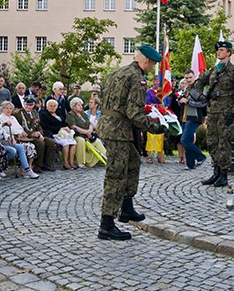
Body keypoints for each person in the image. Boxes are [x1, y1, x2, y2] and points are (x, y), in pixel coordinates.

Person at [97, 45, 166, 241]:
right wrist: (155, 127)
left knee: (133, 162)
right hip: (118, 130)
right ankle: (106, 224)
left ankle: (126, 208)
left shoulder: (118, 72)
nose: (152, 69)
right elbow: (133, 112)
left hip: (110, 125)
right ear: (146, 61)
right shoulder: (137, 79)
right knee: (116, 175)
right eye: (152, 65)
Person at [194, 40, 234, 187]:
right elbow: (198, 82)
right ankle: (216, 173)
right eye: (218, 50)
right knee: (212, 142)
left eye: (222, 50)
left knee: (224, 144)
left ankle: (224, 175)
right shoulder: (213, 70)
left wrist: (233, 110)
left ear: (229, 53)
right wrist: (200, 96)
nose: (219, 52)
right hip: (213, 112)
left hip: (226, 113)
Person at [178, 70, 207, 170]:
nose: (188, 80)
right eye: (186, 78)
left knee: (184, 140)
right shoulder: (187, 88)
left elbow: (203, 103)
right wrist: (181, 101)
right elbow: (184, 102)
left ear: (194, 77)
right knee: (187, 140)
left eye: (190, 77)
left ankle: (201, 156)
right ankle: (190, 164)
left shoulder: (199, 89)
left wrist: (188, 101)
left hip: (194, 117)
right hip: (185, 117)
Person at [66, 96, 106, 168]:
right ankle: (81, 162)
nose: (81, 106)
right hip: (77, 135)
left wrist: (89, 131)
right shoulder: (70, 114)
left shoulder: (83, 114)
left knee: (97, 141)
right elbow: (73, 126)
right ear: (73, 106)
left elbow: (89, 123)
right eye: (78, 105)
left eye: (81, 105)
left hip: (87, 134)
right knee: (80, 141)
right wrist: (85, 131)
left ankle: (105, 157)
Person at [40, 98, 77, 170]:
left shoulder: (59, 114)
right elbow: (46, 127)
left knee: (74, 143)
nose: (53, 107)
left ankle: (71, 162)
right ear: (47, 107)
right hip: (54, 134)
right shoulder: (44, 115)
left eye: (54, 106)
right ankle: (65, 162)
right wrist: (60, 128)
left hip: (64, 133)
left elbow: (64, 123)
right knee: (65, 144)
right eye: (50, 106)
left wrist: (67, 127)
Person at [145, 75, 167, 164]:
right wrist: (155, 106)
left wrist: (164, 106)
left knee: (160, 136)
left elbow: (167, 101)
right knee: (150, 135)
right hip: (153, 114)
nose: (156, 83)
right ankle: (149, 155)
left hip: (161, 115)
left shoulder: (164, 91)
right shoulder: (149, 91)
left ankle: (160, 154)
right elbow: (148, 102)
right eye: (154, 81)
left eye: (157, 81)